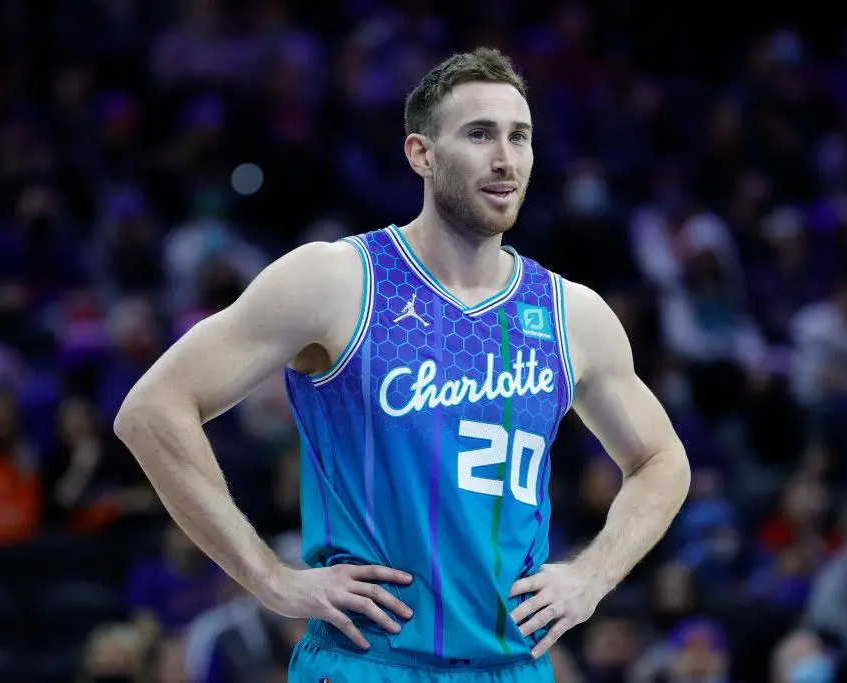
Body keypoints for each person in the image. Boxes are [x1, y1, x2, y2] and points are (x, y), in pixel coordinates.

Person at [115, 47, 691, 683]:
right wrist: (269, 579)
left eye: (519, 136)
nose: (505, 158)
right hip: (369, 663)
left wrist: (590, 577)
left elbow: (662, 461)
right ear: (421, 153)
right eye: (479, 134)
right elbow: (152, 410)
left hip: (512, 668)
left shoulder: (570, 314)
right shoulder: (337, 280)